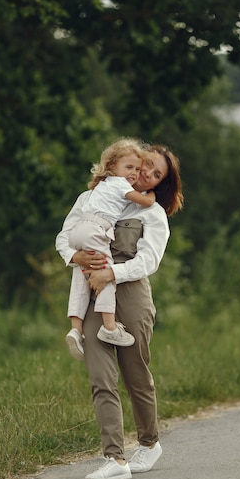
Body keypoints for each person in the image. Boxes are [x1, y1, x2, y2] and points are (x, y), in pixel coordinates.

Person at [55, 143, 183, 479]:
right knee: (101, 378)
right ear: (134, 162)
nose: (147, 175)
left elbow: (149, 261)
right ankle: (114, 458)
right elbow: (64, 237)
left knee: (135, 375)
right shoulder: (91, 198)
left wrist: (111, 273)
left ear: (158, 184)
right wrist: (75, 257)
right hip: (96, 297)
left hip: (132, 297)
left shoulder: (151, 213)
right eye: (147, 166)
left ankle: (149, 442)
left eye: (156, 175)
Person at [63, 138, 156, 359]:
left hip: (79, 231)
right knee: (106, 273)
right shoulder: (119, 184)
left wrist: (75, 256)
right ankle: (110, 327)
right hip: (96, 229)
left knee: (80, 275)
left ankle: (76, 329)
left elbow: (64, 237)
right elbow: (143, 202)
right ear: (112, 167)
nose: (133, 173)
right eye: (128, 167)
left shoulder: (99, 187)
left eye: (136, 169)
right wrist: (152, 196)